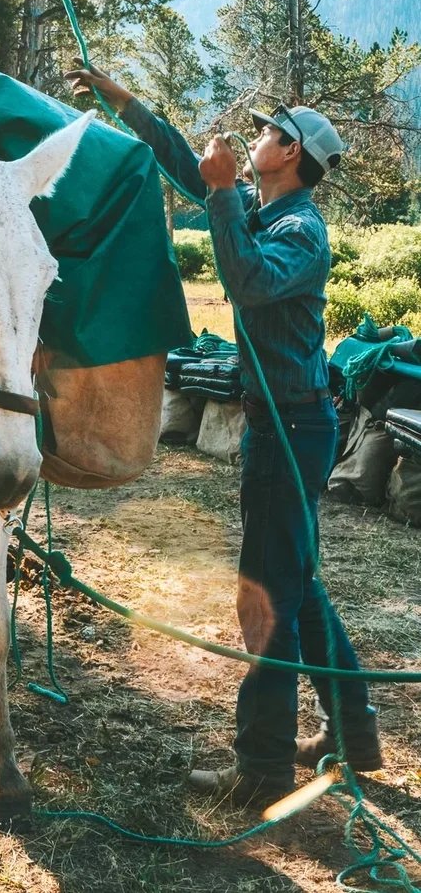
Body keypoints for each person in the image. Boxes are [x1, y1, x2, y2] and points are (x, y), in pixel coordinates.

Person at [66, 66, 381, 811]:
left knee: (268, 595)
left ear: (292, 157)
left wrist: (215, 194)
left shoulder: (299, 230)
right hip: (286, 424)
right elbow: (184, 159)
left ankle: (264, 767)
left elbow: (247, 283)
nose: (258, 136)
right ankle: (355, 732)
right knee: (297, 586)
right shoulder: (261, 209)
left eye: (273, 132)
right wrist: (122, 98)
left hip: (293, 429)